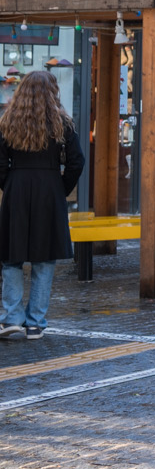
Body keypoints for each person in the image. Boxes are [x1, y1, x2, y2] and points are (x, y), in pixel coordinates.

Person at [0, 72, 85, 340]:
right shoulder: (62, 123)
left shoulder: (8, 122)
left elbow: (0, 163)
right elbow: (77, 162)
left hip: (17, 187)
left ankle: (10, 318)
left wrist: (10, 185)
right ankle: (35, 323)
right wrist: (60, 188)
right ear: (52, 91)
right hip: (49, 189)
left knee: (11, 257)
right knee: (44, 259)